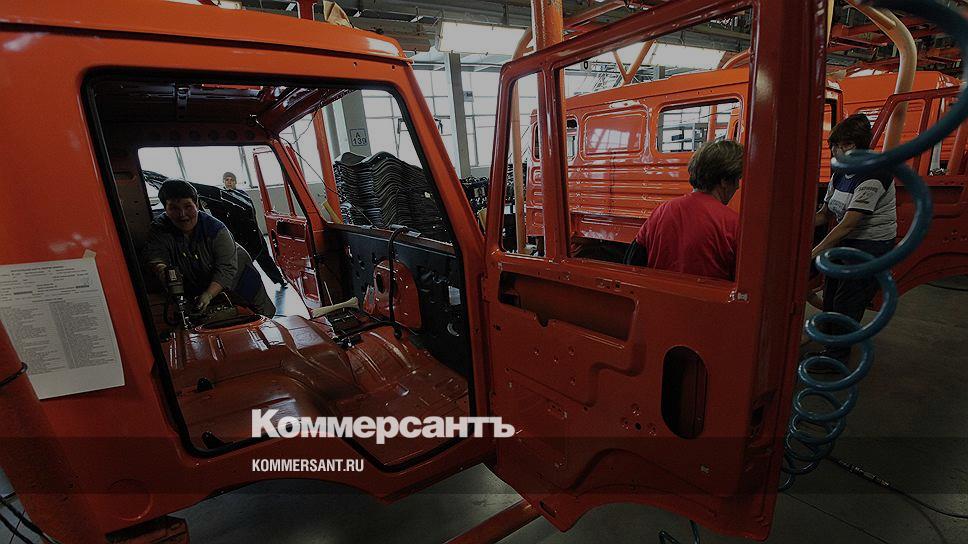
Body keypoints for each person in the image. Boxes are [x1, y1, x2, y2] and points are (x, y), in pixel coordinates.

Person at [811, 114, 897, 362]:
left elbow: (849, 224)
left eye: (841, 145)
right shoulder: (840, 172)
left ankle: (837, 357)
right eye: (833, 145)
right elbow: (824, 214)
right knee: (830, 294)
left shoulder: (874, 173)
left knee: (846, 301)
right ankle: (829, 343)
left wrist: (813, 252)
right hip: (847, 242)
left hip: (871, 246)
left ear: (855, 145)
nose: (834, 151)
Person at [143, 179, 275, 318]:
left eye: (188, 206)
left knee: (258, 315)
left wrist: (208, 295)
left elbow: (226, 269)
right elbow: (154, 255)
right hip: (202, 279)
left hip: (237, 273)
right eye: (174, 208)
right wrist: (163, 271)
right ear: (165, 209)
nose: (182, 214)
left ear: (196, 205)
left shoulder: (216, 230)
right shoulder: (159, 229)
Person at [624, 140, 744, 281]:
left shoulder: (660, 212)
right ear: (724, 180)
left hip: (659, 293)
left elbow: (632, 262)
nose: (737, 186)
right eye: (737, 179)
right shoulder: (734, 224)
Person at [221, 171, 287, 287]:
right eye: (227, 180)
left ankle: (279, 279)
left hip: (252, 230)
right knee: (242, 260)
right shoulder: (221, 197)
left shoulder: (242, 194)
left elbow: (251, 211)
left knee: (264, 256)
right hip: (238, 235)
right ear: (223, 182)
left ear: (235, 182)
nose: (229, 182)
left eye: (232, 180)